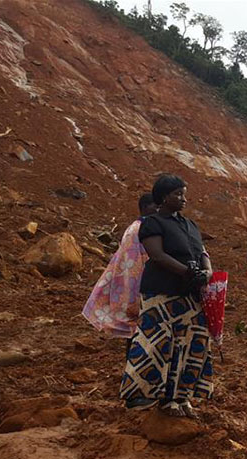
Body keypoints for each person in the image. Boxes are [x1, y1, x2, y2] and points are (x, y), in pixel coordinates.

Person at [120, 174, 214, 418]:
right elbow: (158, 255)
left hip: (190, 295)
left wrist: (207, 272)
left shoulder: (190, 225)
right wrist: (188, 272)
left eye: (184, 193)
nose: (183, 198)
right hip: (161, 293)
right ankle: (157, 398)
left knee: (191, 345)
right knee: (160, 345)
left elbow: (202, 252)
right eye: (177, 194)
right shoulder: (152, 223)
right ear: (163, 197)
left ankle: (182, 397)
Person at [82, 194, 158, 355]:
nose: (158, 210)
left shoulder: (141, 227)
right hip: (138, 285)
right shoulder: (139, 229)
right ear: (145, 208)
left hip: (137, 283)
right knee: (138, 333)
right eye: (155, 206)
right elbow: (134, 263)